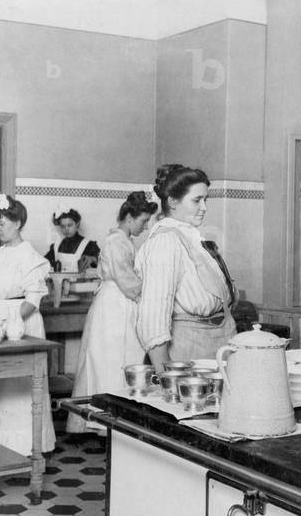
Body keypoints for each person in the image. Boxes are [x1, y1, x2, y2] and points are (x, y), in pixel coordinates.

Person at [0, 192, 56, 455]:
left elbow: (33, 300)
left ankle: (26, 447)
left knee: (19, 387)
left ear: (17, 223)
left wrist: (8, 322)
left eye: (2, 223)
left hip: (22, 322)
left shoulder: (30, 257)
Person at [66, 190, 157, 434]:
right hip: (115, 304)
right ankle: (105, 422)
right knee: (111, 360)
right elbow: (126, 280)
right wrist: (149, 295)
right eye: (142, 221)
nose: (145, 226)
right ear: (129, 217)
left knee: (120, 358)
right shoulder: (116, 241)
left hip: (119, 301)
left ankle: (114, 420)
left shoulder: (122, 240)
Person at [136, 164, 237, 373]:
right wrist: (166, 377)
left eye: (205, 200)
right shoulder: (165, 242)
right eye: (197, 200)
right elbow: (153, 318)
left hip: (216, 343)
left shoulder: (190, 238)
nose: (204, 208)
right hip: (187, 350)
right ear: (172, 201)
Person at [45, 208, 99, 273]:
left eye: (69, 225)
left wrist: (93, 259)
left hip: (80, 282)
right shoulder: (56, 246)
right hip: (59, 282)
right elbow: (44, 264)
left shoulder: (89, 245)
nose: (66, 229)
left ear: (77, 224)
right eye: (63, 226)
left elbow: (103, 264)